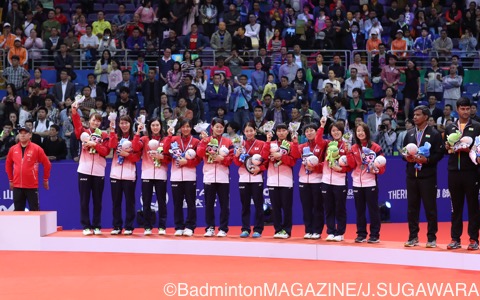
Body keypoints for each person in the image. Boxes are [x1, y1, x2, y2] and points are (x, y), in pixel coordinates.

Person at [403, 105, 444, 248]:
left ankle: (431, 238)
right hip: (411, 176)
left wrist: (426, 160)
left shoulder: (434, 134)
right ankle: (413, 236)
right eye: (414, 114)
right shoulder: (409, 133)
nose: (414, 117)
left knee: (430, 208)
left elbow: (439, 154)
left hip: (427, 176)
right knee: (412, 208)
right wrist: (406, 157)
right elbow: (404, 151)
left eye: (418, 115)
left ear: (426, 117)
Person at [444, 97, 480, 251]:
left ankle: (473, 239)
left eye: (468, 109)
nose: (465, 112)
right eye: (462, 109)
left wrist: (470, 150)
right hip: (454, 171)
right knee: (455, 207)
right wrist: (448, 146)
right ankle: (455, 239)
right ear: (457, 109)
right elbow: (447, 147)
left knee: (473, 207)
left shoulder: (477, 126)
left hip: (471, 172)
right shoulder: (450, 126)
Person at [71, 103, 109, 235]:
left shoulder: (104, 135)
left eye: (98, 121)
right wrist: (74, 111)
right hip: (84, 170)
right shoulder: (83, 132)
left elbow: (105, 151)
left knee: (98, 200)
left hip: (99, 171)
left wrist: (95, 145)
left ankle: (97, 225)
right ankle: (86, 226)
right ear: (89, 121)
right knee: (84, 200)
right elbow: (76, 124)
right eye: (94, 120)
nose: (96, 122)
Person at [347, 123, 386, 243]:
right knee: (360, 210)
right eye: (358, 131)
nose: (360, 133)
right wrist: (348, 153)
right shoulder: (353, 148)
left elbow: (382, 167)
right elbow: (352, 165)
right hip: (357, 183)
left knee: (373, 209)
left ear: (367, 132)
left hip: (370, 182)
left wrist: (375, 168)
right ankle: (361, 234)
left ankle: (375, 235)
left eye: (362, 131)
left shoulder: (375, 147)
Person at [132, 118, 170, 236]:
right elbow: (135, 147)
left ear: (161, 126)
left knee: (162, 202)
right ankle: (147, 226)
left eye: (157, 125)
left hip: (161, 174)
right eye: (153, 125)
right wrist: (138, 132)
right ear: (149, 127)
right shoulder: (144, 139)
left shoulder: (164, 140)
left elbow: (169, 157)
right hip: (147, 174)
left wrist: (161, 157)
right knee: (146, 202)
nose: (155, 127)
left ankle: (162, 227)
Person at [163, 119, 202, 236]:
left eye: (188, 127)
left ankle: (190, 226)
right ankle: (179, 226)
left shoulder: (195, 141)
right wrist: (169, 136)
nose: (186, 129)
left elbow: (199, 159)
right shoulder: (174, 140)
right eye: (183, 127)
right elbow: (165, 151)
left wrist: (187, 163)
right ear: (179, 128)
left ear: (191, 128)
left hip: (190, 176)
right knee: (177, 203)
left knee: (191, 203)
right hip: (175, 176)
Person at [197, 118, 234, 237]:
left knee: (224, 205)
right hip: (208, 176)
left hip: (223, 177)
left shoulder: (228, 142)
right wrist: (203, 141)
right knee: (209, 204)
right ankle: (210, 228)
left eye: (221, 127)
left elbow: (232, 159)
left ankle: (223, 228)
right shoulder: (206, 140)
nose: (219, 129)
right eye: (217, 127)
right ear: (212, 127)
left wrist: (222, 159)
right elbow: (199, 154)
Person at [316, 117, 351, 242]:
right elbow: (318, 140)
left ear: (342, 131)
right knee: (329, 207)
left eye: (338, 130)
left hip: (340, 181)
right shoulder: (327, 144)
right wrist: (322, 126)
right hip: (326, 180)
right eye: (333, 131)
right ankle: (330, 231)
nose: (335, 133)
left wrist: (341, 169)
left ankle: (340, 232)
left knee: (340, 208)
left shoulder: (346, 145)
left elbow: (351, 163)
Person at [263, 123, 300, 239]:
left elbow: (294, 159)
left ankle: (287, 230)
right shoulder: (271, 144)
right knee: (276, 207)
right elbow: (264, 156)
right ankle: (278, 229)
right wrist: (267, 142)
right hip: (272, 180)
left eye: (283, 130)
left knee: (287, 207)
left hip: (286, 180)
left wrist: (282, 156)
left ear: (287, 132)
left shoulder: (290, 144)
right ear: (276, 132)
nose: (281, 133)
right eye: (279, 131)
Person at [234, 121, 268, 238]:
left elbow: (266, 162)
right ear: (244, 132)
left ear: (255, 131)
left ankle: (258, 229)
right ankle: (245, 229)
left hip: (256, 178)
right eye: (247, 131)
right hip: (243, 178)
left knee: (258, 205)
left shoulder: (262, 144)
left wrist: (260, 169)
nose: (249, 133)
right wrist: (237, 155)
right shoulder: (240, 144)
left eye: (251, 130)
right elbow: (236, 163)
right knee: (245, 205)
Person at [108, 116, 141, 235]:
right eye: (121, 123)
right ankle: (117, 226)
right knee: (116, 202)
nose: (124, 125)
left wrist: (125, 154)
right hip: (115, 174)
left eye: (126, 123)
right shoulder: (116, 137)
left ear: (130, 124)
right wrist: (112, 131)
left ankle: (129, 226)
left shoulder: (135, 138)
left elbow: (137, 156)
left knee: (129, 202)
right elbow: (111, 146)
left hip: (129, 174)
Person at [5, 126, 51, 211]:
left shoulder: (37, 149)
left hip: (31, 185)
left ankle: (35, 225)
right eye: (20, 133)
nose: (22, 135)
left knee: (34, 210)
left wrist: (45, 179)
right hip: (17, 185)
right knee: (18, 211)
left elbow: (47, 164)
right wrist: (11, 180)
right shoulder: (13, 149)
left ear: (30, 135)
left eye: (25, 133)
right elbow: (8, 165)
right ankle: (18, 225)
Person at [298, 123, 325, 240]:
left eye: (311, 130)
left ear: (316, 131)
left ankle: (317, 231)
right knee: (306, 207)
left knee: (317, 207)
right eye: (307, 131)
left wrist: (316, 167)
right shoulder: (302, 146)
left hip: (317, 180)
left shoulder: (323, 144)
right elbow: (294, 154)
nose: (309, 133)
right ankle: (308, 230)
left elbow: (326, 162)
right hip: (304, 180)